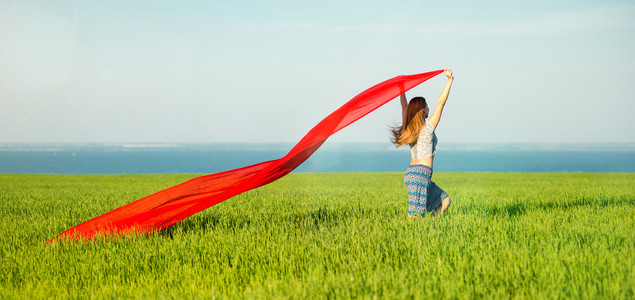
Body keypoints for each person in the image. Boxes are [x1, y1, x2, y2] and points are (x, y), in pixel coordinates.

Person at [391, 69, 454, 218]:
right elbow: (441, 103)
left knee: (444, 201)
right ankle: (410, 236)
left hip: (413, 174)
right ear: (422, 110)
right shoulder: (427, 129)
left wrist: (402, 87)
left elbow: (404, 106)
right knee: (415, 216)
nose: (429, 107)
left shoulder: (410, 129)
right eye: (426, 105)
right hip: (421, 175)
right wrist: (449, 80)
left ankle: (431, 229)